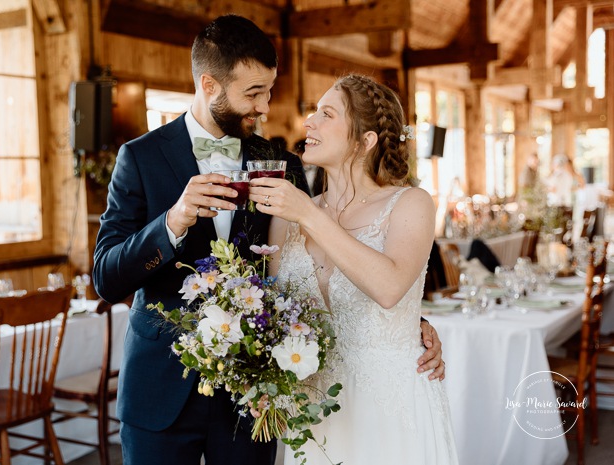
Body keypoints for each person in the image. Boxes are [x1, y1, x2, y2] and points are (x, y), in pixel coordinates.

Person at [93, 15, 445, 465]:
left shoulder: (281, 164)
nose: (264, 108)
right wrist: (173, 221)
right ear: (209, 85)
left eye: (269, 91)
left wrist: (411, 325)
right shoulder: (139, 157)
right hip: (161, 388)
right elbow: (106, 277)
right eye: (253, 94)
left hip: (258, 397)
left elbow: (324, 269)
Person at [250, 74, 457, 464]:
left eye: (326, 114)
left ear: (365, 141)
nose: (309, 122)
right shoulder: (288, 217)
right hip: (313, 414)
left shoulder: (411, 203)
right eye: (314, 111)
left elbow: (390, 287)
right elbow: (272, 316)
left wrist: (308, 215)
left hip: (390, 409)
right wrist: (260, 375)